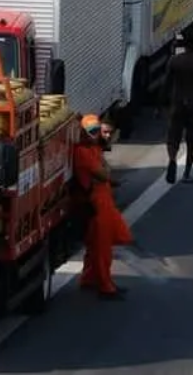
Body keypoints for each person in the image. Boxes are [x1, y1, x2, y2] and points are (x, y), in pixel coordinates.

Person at [73, 114, 132, 299]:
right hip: (95, 205)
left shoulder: (94, 149)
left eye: (99, 131)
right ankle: (106, 287)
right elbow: (102, 174)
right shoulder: (83, 152)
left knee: (98, 246)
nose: (98, 135)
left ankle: (89, 278)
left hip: (103, 202)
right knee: (102, 248)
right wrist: (108, 174)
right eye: (93, 132)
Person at [165, 36, 193, 185]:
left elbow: (166, 84)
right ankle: (187, 172)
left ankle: (172, 159)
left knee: (173, 137)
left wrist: (161, 106)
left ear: (184, 46)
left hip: (177, 103)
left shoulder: (174, 61)